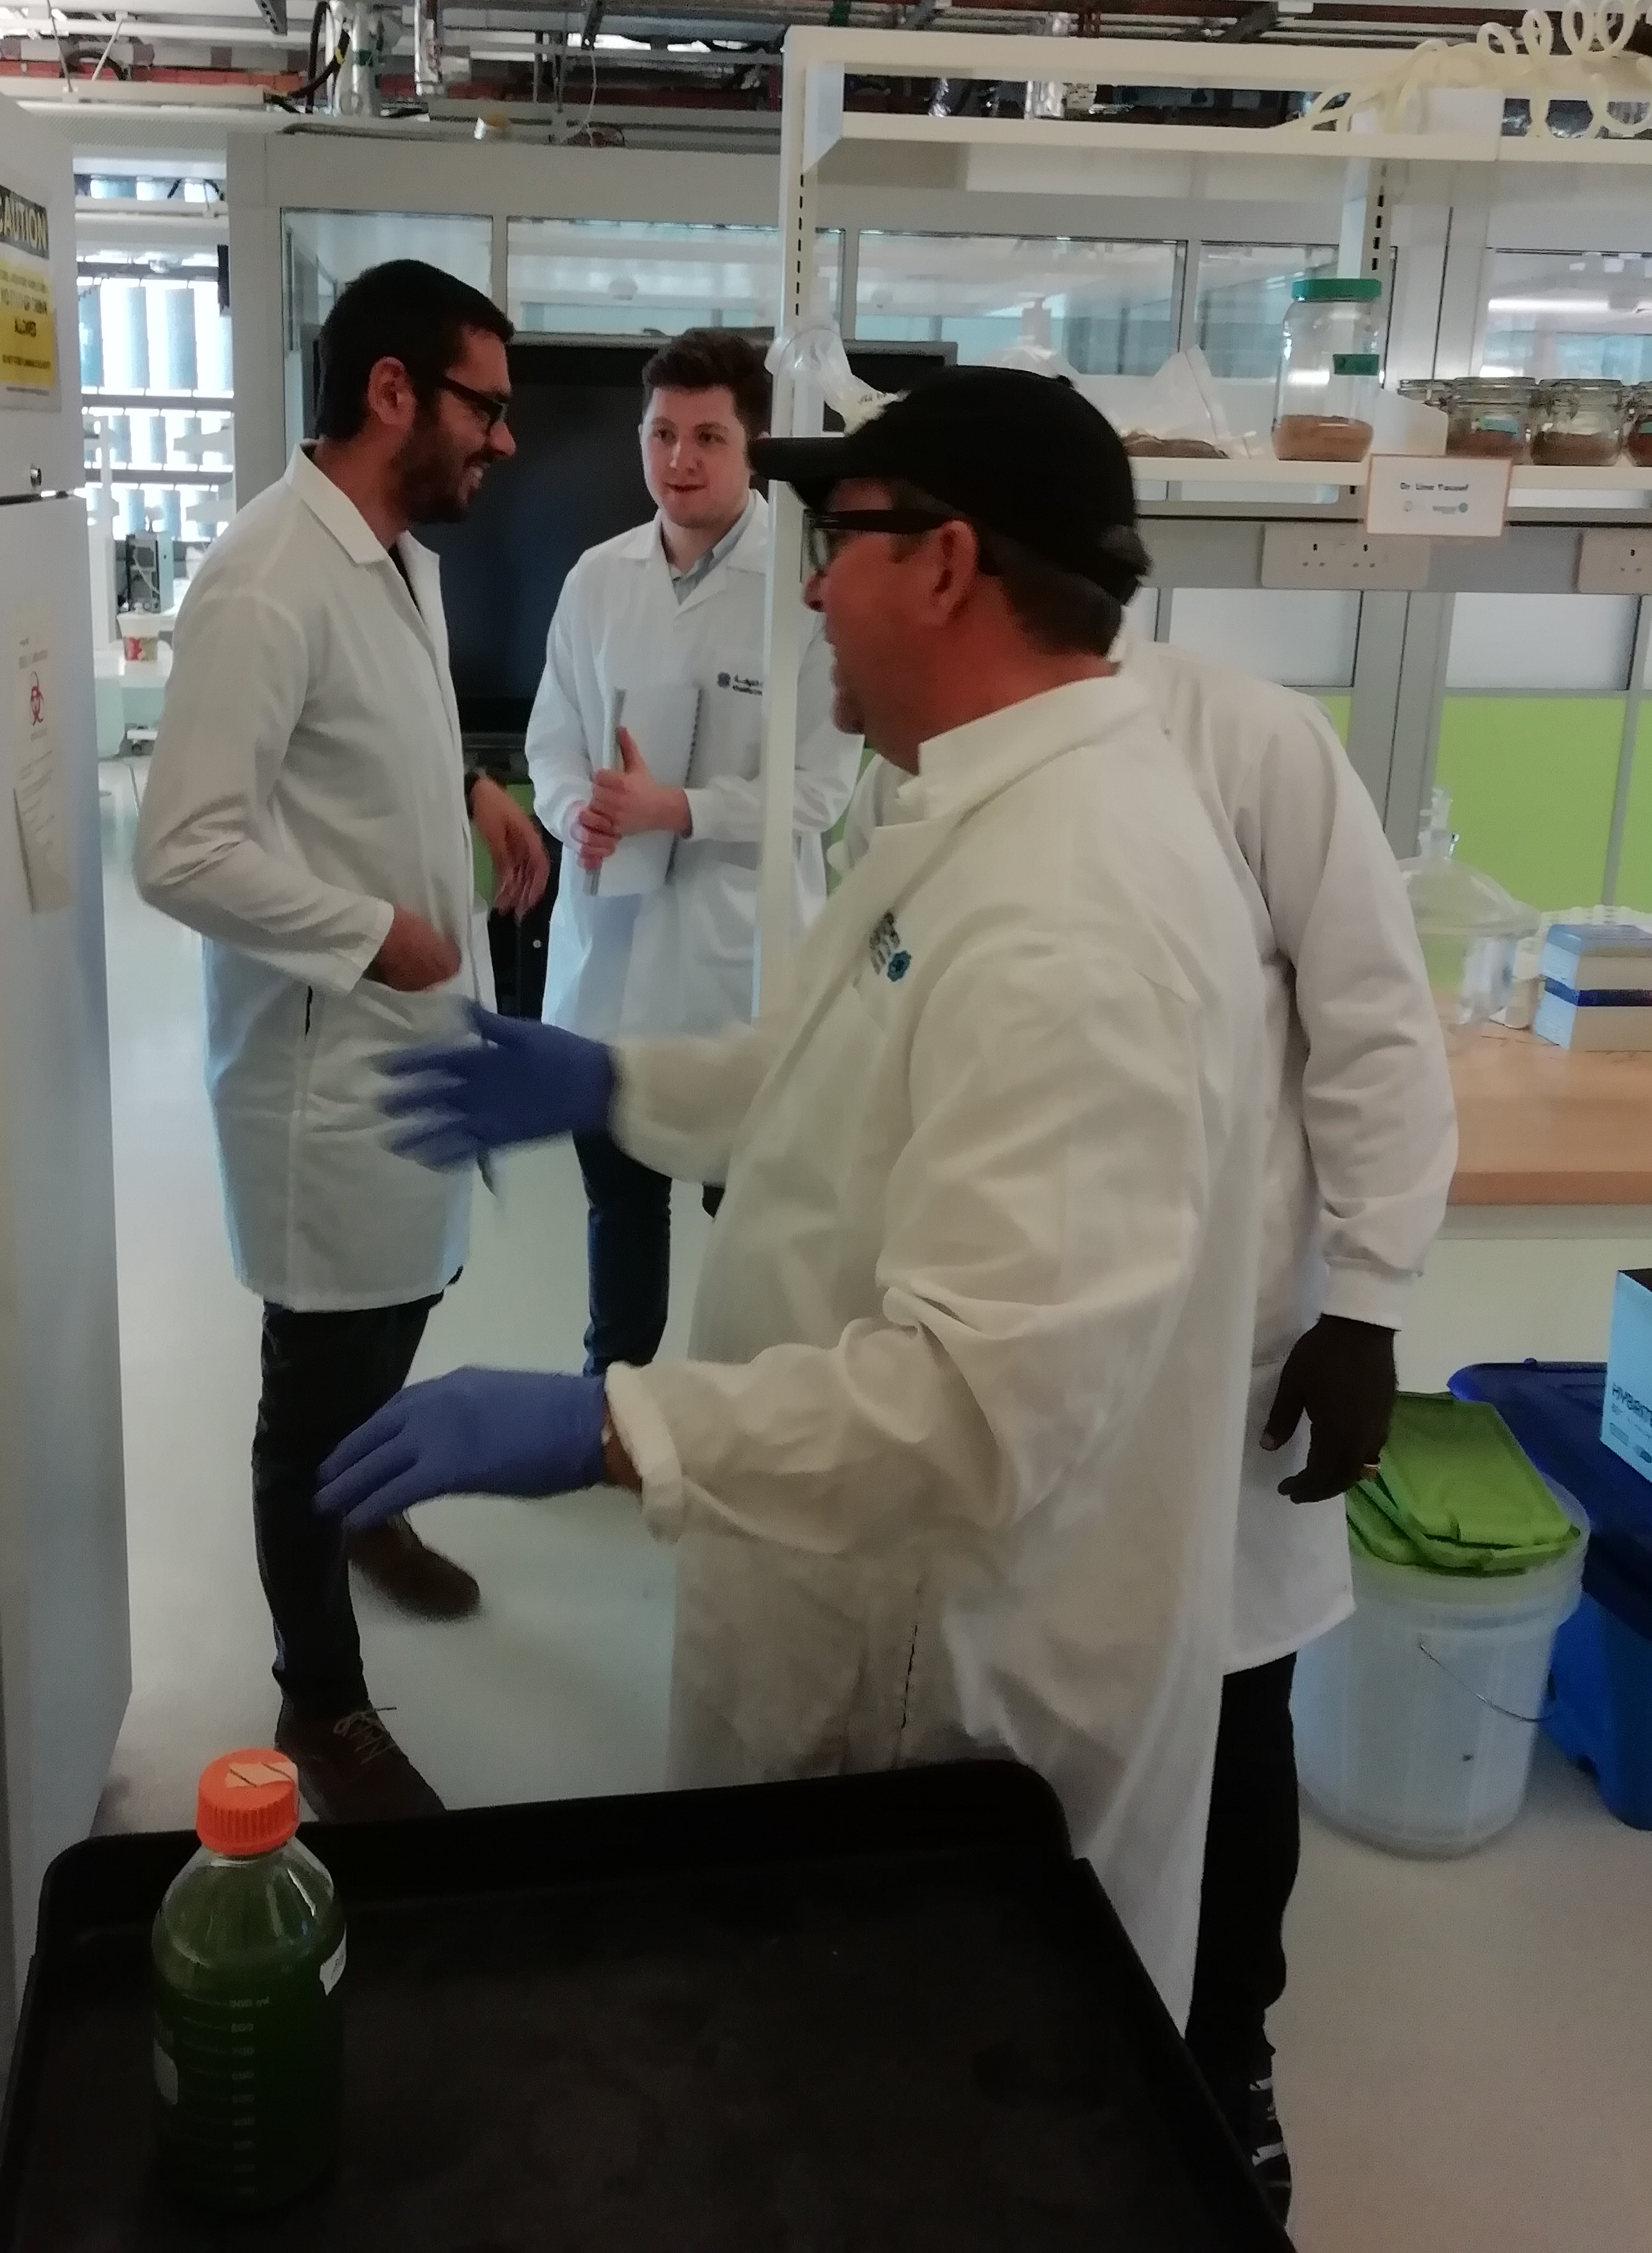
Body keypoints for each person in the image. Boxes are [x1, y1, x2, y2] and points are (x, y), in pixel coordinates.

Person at [318, 367, 1268, 2019]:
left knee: (886, 2118)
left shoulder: (1074, 913)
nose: (812, 583)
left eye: (845, 542)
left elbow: (975, 1411)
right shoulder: (982, 804)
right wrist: (611, 1077)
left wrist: (613, 1427)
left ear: (953, 566)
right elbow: (837, 1059)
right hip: (858, 1619)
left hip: (938, 1707)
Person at [837, 629, 1456, 2221]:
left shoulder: (1244, 742)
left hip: (1223, 1353)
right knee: (1019, 1703)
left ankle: (1221, 2052)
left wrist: (1371, 1300)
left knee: (1235, 1706)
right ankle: (1002, 2018)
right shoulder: (929, 759)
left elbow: (1378, 1015)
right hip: (1005, 1334)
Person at [134, 258, 550, 1821]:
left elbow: (372, 744)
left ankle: (369, 1513)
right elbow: (180, 849)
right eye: (484, 407)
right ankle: (320, 1701)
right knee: (314, 1384)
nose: (501, 442)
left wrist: (472, 792)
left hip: (413, 1045)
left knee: (416, 1286)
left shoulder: (396, 555)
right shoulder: (264, 575)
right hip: (324, 1070)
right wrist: (376, 930)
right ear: (393, 393)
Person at [525, 328, 861, 1371]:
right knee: (618, 1205)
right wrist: (575, 807)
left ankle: (743, 1404)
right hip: (612, 954)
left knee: (751, 1216)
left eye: (708, 436)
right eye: (661, 434)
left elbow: (822, 791)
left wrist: (683, 809)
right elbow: (552, 741)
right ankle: (611, 1397)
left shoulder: (803, 589)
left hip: (741, 967)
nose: (680, 460)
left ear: (753, 445)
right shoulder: (595, 579)